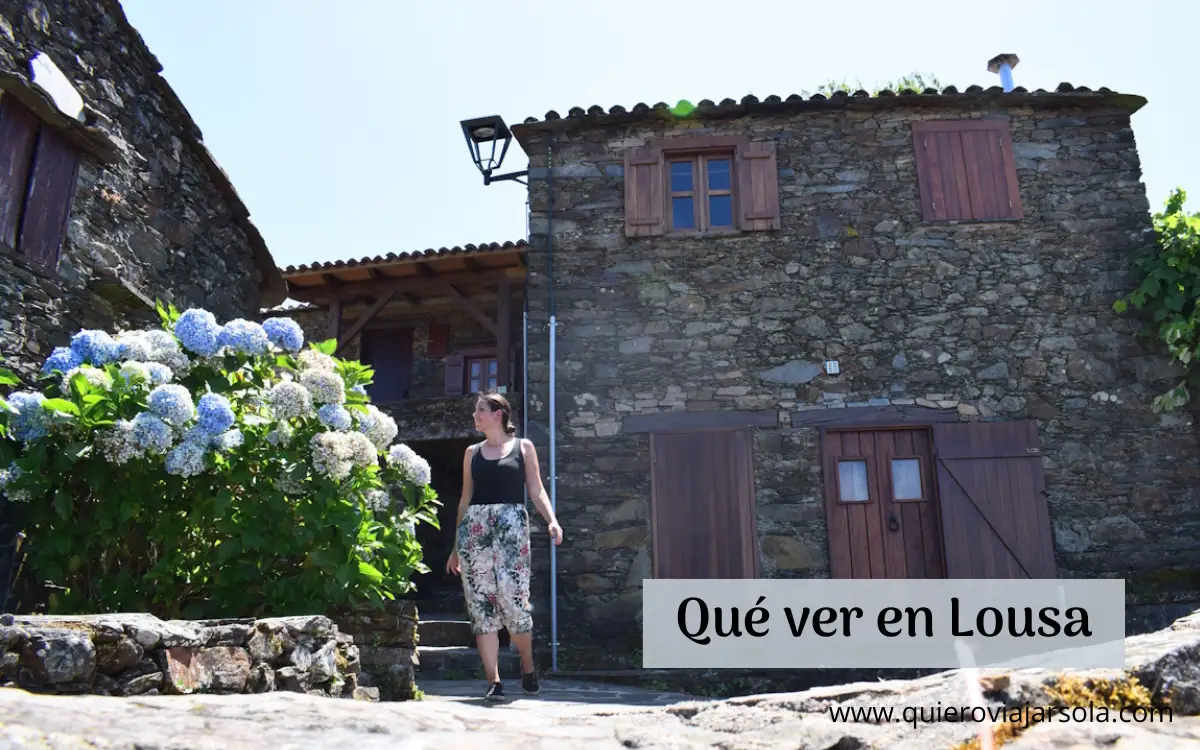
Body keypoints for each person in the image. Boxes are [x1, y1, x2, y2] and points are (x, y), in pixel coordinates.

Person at [445, 391, 564, 701]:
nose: (475, 416)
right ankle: (494, 681)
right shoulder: (471, 453)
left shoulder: (523, 447)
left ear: (498, 414)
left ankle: (527, 666)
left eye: (480, 410)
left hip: (512, 533)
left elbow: (536, 489)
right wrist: (456, 546)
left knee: (514, 603)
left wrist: (552, 520)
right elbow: (465, 499)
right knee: (481, 608)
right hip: (475, 533)